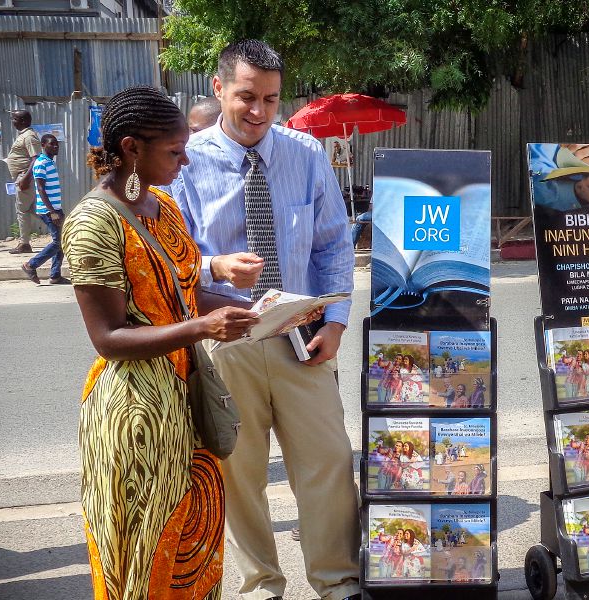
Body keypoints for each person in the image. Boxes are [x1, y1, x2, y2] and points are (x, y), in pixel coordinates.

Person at [168, 40, 362, 600]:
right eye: (246, 97)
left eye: (271, 99)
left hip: (302, 337)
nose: (259, 111)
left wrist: (336, 323)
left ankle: (338, 581)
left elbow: (333, 248)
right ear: (218, 88)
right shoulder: (185, 162)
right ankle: (260, 585)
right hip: (225, 338)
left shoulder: (306, 155)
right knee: (239, 473)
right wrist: (213, 263)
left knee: (326, 462)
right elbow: (166, 253)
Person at [62, 85, 260, 599]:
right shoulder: (93, 223)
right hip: (136, 416)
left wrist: (257, 314)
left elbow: (185, 295)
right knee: (145, 555)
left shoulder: (165, 207)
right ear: (131, 148)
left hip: (187, 403)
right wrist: (201, 329)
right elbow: (109, 338)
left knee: (195, 548)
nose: (185, 159)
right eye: (174, 151)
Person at [21, 134, 68, 285]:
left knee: (61, 241)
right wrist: (52, 211)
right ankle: (30, 265)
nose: (56, 146)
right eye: (52, 144)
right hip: (49, 210)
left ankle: (55, 275)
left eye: (57, 144)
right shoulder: (41, 163)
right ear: (43, 145)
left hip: (55, 208)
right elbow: (40, 189)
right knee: (58, 242)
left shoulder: (49, 162)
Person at [4, 110, 42, 254]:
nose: (12, 121)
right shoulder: (24, 135)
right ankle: (60, 230)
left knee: (23, 210)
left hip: (25, 177)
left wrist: (26, 178)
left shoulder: (29, 136)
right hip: (23, 176)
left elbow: (36, 158)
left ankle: (24, 243)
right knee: (33, 210)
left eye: (15, 119)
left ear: (24, 121)